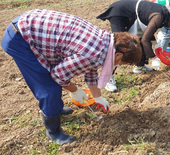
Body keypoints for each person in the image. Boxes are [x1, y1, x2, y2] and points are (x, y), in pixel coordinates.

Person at [1, 9, 143, 145]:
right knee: (49, 88)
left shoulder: (105, 41)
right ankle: (53, 131)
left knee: (53, 84)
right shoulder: (92, 54)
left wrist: (98, 97)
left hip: (32, 25)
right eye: (122, 63)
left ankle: (55, 110)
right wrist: (75, 90)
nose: (118, 64)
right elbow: (58, 75)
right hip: (21, 38)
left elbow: (91, 69)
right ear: (118, 55)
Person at [96, 0, 170, 91]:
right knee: (118, 47)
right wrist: (153, 58)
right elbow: (146, 39)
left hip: (133, 16)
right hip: (120, 13)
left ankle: (139, 65)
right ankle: (107, 78)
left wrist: (156, 45)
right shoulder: (159, 16)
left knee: (139, 41)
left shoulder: (164, 15)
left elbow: (148, 32)